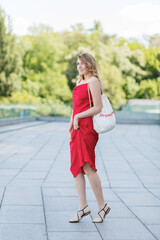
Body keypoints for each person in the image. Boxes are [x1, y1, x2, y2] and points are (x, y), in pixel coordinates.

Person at [68, 53, 111, 223]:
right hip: (77, 128)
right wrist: (71, 122)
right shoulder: (79, 82)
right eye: (78, 63)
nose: (79, 66)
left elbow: (98, 107)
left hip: (87, 129)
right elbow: (76, 106)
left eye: (82, 63)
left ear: (89, 64)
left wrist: (78, 117)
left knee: (88, 167)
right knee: (76, 168)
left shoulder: (93, 82)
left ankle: (102, 206)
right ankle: (83, 207)